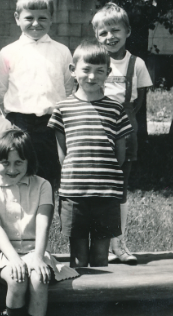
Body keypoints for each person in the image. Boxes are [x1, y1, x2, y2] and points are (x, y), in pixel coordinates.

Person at [0, 130, 78, 316]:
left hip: (36, 249)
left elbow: (43, 224)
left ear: (29, 161)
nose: (12, 169)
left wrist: (38, 257)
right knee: (17, 278)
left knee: (38, 279)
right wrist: (14, 259)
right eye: (5, 162)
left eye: (19, 163)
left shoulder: (42, 185)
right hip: (3, 252)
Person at [48, 41, 133, 269]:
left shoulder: (115, 109)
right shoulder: (63, 109)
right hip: (74, 193)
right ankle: (78, 293)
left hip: (106, 193)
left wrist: (105, 176)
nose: (92, 76)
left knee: (100, 255)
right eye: (86, 69)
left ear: (108, 73)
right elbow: (63, 155)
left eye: (99, 71)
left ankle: (100, 293)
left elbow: (120, 154)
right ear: (73, 70)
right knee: (78, 256)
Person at [0, 0, 75, 190]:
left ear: (51, 18)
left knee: (48, 175)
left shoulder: (62, 51)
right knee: (19, 171)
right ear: (17, 18)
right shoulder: (8, 52)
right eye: (29, 18)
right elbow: (0, 90)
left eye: (42, 18)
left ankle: (45, 208)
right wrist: (10, 119)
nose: (36, 23)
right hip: (19, 122)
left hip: (51, 123)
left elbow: (68, 87)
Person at [92, 3, 152, 265]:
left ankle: (119, 243)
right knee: (94, 188)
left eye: (115, 30)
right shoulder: (92, 62)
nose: (110, 37)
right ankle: (99, 245)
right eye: (103, 33)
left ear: (127, 31)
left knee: (120, 187)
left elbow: (138, 103)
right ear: (96, 36)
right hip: (95, 129)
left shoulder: (136, 64)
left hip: (124, 131)